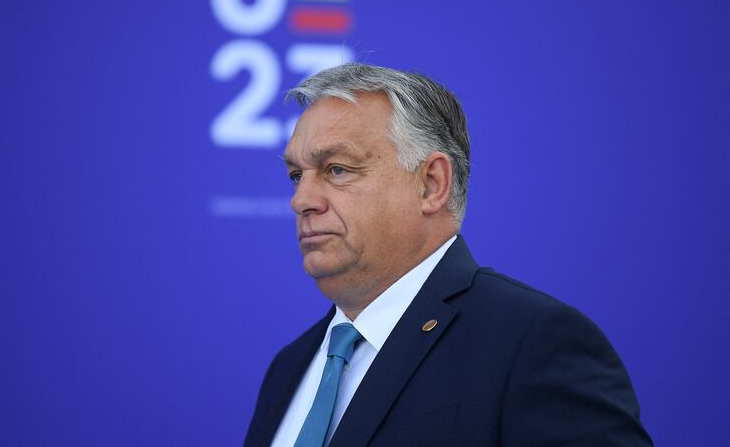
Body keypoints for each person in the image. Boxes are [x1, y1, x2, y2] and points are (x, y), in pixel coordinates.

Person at [244, 63, 652, 446]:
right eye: (297, 175)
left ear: (431, 184)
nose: (302, 200)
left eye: (337, 169)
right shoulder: (289, 367)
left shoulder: (534, 344)